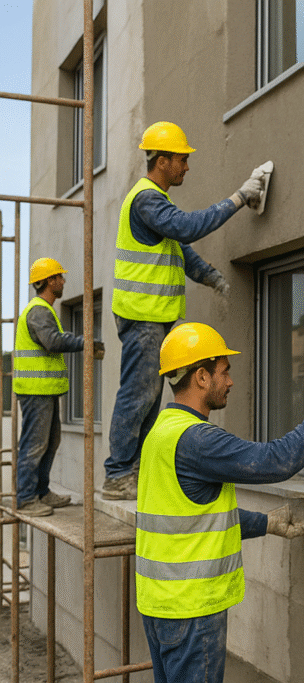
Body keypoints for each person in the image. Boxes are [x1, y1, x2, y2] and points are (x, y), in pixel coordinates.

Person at [135, 322, 304, 683]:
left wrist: (266, 523)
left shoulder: (161, 433)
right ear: (202, 377)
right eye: (225, 372)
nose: (231, 381)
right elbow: (276, 460)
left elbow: (192, 518)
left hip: (160, 605)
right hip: (192, 610)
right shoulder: (197, 440)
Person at [103, 121, 269, 500]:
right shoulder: (146, 199)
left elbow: (181, 250)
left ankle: (136, 471)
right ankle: (117, 475)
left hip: (153, 316)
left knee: (149, 398)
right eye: (181, 159)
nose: (187, 167)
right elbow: (188, 228)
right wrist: (240, 197)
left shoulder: (156, 202)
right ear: (162, 161)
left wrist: (212, 277)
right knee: (138, 395)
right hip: (142, 314)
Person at [13, 258, 104, 517]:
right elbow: (52, 341)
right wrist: (85, 342)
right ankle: (27, 498)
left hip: (44, 389)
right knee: (35, 444)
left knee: (50, 441)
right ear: (50, 281)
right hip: (36, 390)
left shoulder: (44, 309)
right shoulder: (39, 310)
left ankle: (41, 492)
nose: (63, 281)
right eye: (59, 277)